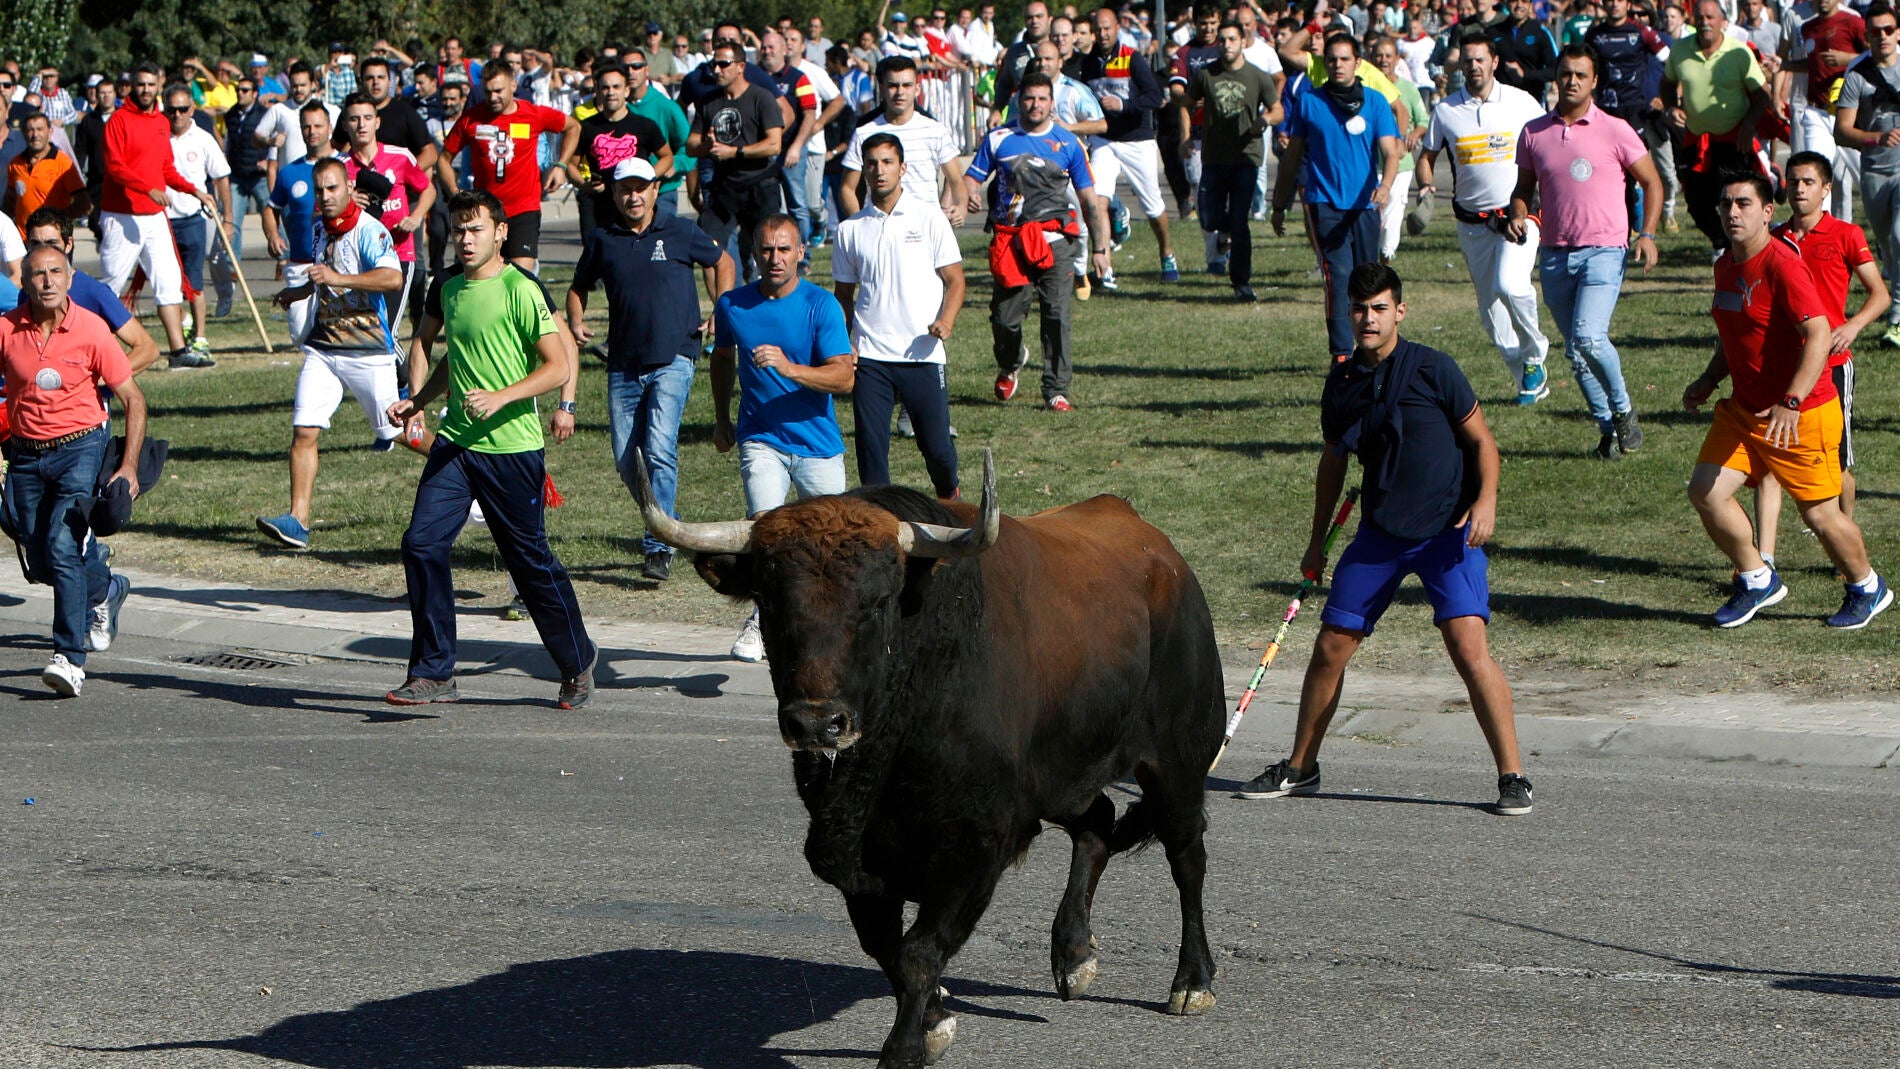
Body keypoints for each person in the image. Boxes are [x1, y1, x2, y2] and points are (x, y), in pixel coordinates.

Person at [1235, 262, 1531, 817]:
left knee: (1469, 649)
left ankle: (1513, 776)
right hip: (1380, 534)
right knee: (1330, 647)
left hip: (1448, 534)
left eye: (1378, 309)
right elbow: (1332, 464)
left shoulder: (1434, 369)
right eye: (1359, 308)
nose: (1367, 319)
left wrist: (1486, 502)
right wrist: (1316, 541)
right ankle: (1301, 768)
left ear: (1399, 311)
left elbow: (1483, 443)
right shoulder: (1343, 383)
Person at [384, 189, 597, 708]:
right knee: (421, 544)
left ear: (501, 232)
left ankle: (577, 660)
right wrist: (419, 400)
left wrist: (502, 396)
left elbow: (557, 366)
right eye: (458, 229)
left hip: (512, 450)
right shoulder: (450, 287)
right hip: (456, 445)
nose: (465, 238)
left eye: (476, 228)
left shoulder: (521, 289)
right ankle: (433, 672)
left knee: (528, 561)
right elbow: (453, 362)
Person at [1683, 171, 1890, 630]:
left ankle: (1867, 586)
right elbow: (1734, 334)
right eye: (1725, 205)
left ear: (1766, 212)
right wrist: (1708, 379)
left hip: (1802, 413)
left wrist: (1791, 402)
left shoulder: (1782, 264)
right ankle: (1757, 578)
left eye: (1743, 204)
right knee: (1706, 491)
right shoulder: (1725, 265)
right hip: (1744, 410)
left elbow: (1818, 333)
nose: (1732, 212)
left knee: (1819, 514)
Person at [566, 157, 734, 581]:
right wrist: (576, 319)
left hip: (675, 355)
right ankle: (664, 521)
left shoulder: (679, 230)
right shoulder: (604, 239)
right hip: (622, 361)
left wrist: (721, 309)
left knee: (659, 449)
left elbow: (724, 263)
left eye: (641, 187)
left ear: (656, 190)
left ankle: (659, 545)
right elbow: (578, 285)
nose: (633, 196)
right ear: (615, 193)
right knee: (627, 460)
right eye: (625, 189)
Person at [1, 245, 148, 697]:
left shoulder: (91, 330)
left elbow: (134, 400)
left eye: (55, 272)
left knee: (62, 546)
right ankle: (104, 587)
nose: (47, 281)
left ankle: (69, 656)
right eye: (37, 274)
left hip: (78, 449)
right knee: (40, 557)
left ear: (69, 277)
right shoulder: (6, 329)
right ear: (22, 281)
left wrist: (127, 466)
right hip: (25, 455)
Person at [710, 214, 855, 662]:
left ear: (800, 253)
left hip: (817, 443)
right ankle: (762, 620)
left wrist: (788, 367)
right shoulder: (733, 304)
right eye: (767, 249)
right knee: (767, 531)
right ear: (754, 253)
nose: (775, 258)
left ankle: (839, 624)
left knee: (835, 542)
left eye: (784, 249)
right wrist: (720, 417)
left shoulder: (821, 305)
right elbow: (722, 358)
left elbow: (845, 377)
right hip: (761, 437)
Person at [255, 158, 417, 550]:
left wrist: (338, 278)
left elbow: (392, 278)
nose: (325, 197)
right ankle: (298, 521)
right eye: (320, 190)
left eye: (332, 189)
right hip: (324, 348)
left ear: (348, 188)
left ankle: (469, 469)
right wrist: (297, 292)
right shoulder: (317, 230)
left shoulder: (369, 230)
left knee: (399, 430)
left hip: (367, 352)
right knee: (304, 430)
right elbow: (321, 277)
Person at [1511, 45, 1662, 459]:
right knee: (1576, 354)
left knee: (1589, 338)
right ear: (1555, 78)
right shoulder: (1533, 132)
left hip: (1605, 250)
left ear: (1595, 81)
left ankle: (1625, 413)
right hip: (1556, 253)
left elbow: (1652, 182)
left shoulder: (1616, 129)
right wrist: (1517, 214)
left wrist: (1646, 233)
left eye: (1581, 74)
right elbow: (1523, 191)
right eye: (1565, 73)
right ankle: (1608, 432)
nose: (1572, 81)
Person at [1753, 151, 1889, 566]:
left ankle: (1843, 540)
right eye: (1793, 181)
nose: (1799, 189)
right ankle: (1765, 558)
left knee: (1838, 463)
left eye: (1808, 182)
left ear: (1827, 189)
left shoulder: (1846, 235)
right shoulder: (1772, 238)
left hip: (1830, 368)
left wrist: (1851, 326)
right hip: (1781, 367)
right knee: (1769, 462)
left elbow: (1880, 295)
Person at [965, 72, 1114, 412]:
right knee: (1004, 318)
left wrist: (1101, 250)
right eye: (1029, 98)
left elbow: (1091, 201)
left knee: (1057, 315)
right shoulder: (1000, 138)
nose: (1035, 105)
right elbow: (971, 178)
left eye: (1042, 99)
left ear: (1051, 102)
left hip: (1055, 241)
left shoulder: (1067, 143)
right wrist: (969, 195)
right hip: (1011, 241)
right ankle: (1011, 361)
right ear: (1019, 100)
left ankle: (1056, 389)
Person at [1418, 32, 1550, 403]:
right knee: (1492, 316)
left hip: (1519, 214)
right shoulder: (1446, 111)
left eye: (1480, 60)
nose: (1473, 67)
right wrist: (1426, 189)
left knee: (1511, 285)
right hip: (1472, 224)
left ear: (1494, 62)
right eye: (1467, 61)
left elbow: (1547, 145)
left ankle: (1536, 353)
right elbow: (1427, 157)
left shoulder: (1521, 102)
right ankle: (1528, 375)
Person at [834, 133, 966, 498]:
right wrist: (845, 343)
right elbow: (843, 296)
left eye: (887, 162)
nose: (879, 170)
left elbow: (955, 281)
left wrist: (946, 321)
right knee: (871, 453)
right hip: (871, 358)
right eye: (872, 163)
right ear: (864, 170)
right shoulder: (850, 230)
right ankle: (880, 526)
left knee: (937, 449)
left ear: (903, 168)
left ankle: (950, 500)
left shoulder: (929, 218)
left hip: (922, 354)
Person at [1271, 33, 1402, 364]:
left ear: (1358, 63)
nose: (1338, 65)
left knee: (1368, 279)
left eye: (1345, 59)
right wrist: (1279, 203)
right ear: (1324, 64)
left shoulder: (1375, 102)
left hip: (1366, 205)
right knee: (1338, 276)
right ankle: (1342, 354)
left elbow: (1390, 151)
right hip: (1324, 202)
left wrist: (1385, 185)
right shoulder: (1310, 102)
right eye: (1332, 59)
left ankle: (1373, 347)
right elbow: (1292, 156)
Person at [98, 63, 214, 369]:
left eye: (151, 85)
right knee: (111, 283)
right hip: (121, 215)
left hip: (153, 216)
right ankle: (93, 348)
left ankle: (178, 352)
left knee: (169, 281)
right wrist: (148, 188)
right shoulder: (118, 121)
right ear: (132, 86)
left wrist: (195, 191)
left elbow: (166, 169)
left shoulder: (161, 122)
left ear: (158, 86)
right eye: (141, 84)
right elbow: (115, 167)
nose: (146, 90)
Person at [1076, 5, 1183, 284]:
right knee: (1097, 199)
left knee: (1153, 206)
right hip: (1104, 139)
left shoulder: (1132, 59)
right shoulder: (1088, 64)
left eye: (1107, 28)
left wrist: (1124, 104)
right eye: (1098, 29)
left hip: (1137, 139)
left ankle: (1167, 252)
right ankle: (1105, 268)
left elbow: (1155, 96)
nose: (1102, 34)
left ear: (1117, 29)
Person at [439, 64, 575, 270]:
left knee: (521, 275)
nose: (493, 97)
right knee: (480, 273)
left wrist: (561, 165)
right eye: (487, 91)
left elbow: (573, 126)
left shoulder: (533, 114)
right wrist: (454, 192)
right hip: (484, 211)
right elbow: (443, 159)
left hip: (523, 209)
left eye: (498, 91)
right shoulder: (471, 119)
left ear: (513, 85)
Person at [1186, 19, 1282, 302]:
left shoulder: (1258, 76)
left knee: (1240, 221)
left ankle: (1241, 282)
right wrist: (1184, 132)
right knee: (1207, 217)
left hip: (1246, 156)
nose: (1227, 45)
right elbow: (1187, 103)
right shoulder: (1206, 75)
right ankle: (1223, 228)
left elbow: (1278, 111)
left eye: (1232, 39)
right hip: (1214, 157)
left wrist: (1263, 120)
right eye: (1223, 40)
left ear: (1243, 42)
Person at [1662, 0, 1770, 252]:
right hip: (1697, 137)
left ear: (1723, 21)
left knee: (1739, 198)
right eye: (1699, 17)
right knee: (1696, 201)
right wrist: (1671, 108)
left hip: (1735, 138)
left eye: (1710, 17)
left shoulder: (1739, 52)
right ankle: (1722, 243)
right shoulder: (1680, 50)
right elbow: (1667, 83)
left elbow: (1762, 95)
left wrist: (1749, 125)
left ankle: (1748, 244)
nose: (1704, 22)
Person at [687, 40, 787, 280]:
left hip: (760, 184)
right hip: (724, 186)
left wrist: (735, 152)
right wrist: (706, 146)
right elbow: (691, 146)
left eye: (723, 64)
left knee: (764, 249)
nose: (717, 70)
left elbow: (774, 144)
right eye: (714, 64)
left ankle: (764, 303)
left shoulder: (760, 98)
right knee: (708, 246)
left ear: (741, 66)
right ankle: (723, 307)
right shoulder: (709, 101)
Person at [21, 207, 161, 374]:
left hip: (88, 399)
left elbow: (147, 349)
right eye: (36, 244)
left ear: (68, 244)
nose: (44, 251)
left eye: (52, 243)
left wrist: (100, 379)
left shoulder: (92, 291)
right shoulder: (29, 290)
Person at [338, 93, 434, 334]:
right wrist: (349, 205)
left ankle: (407, 374)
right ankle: (400, 372)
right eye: (355, 119)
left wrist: (416, 216)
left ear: (377, 122)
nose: (361, 125)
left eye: (367, 118)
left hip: (399, 252)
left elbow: (428, 190)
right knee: (365, 331)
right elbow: (322, 215)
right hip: (359, 258)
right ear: (344, 124)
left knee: (385, 330)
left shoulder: (399, 156)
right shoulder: (339, 167)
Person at [1834, 0, 1900, 349]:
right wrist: (1876, 138)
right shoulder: (1858, 74)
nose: (1883, 37)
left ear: (1898, 31)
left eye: (1889, 30)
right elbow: (1842, 131)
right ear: (1867, 36)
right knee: (1890, 247)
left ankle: (1897, 318)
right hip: (1875, 170)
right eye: (1875, 32)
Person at [839, 56, 967, 224]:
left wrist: (961, 207)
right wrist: (858, 224)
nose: (900, 92)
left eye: (907, 85)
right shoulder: (864, 133)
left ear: (917, 89)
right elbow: (847, 188)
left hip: (925, 227)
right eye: (893, 86)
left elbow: (956, 179)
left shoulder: (935, 130)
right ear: (882, 89)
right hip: (880, 227)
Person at [1588, 0, 1679, 234]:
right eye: (1609, 0)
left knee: (1635, 170)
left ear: (1627, 4)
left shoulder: (1642, 32)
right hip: (1605, 113)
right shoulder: (1594, 35)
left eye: (1619, 0)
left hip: (1635, 113)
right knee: (1605, 170)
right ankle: (1618, 224)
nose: (1614, 4)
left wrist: (1666, 96)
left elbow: (1673, 65)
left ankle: (1640, 220)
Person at [558, 61, 674, 240]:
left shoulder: (644, 125)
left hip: (633, 201)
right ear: (597, 91)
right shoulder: (586, 128)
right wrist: (583, 184)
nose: (610, 92)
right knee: (598, 257)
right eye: (605, 87)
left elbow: (666, 157)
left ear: (626, 90)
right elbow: (571, 165)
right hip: (598, 204)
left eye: (616, 87)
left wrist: (648, 179)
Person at [165, 85, 231, 362]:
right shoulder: (158, 138)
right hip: (163, 219)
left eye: (183, 109)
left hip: (193, 217)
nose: (177, 115)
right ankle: (183, 322)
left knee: (194, 282)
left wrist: (228, 219)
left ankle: (201, 337)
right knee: (168, 283)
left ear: (192, 109)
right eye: (172, 110)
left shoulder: (203, 139)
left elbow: (221, 177)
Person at [1789, 0, 1865, 223]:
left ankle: (1886, 229)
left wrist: (1847, 59)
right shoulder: (1807, 27)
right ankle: (1820, 233)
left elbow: (1875, 57)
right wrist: (1783, 65)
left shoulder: (1853, 22)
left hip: (1850, 114)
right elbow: (1812, 64)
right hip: (1816, 112)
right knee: (1816, 173)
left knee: (1867, 176)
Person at [216, 76, 272, 318]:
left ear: (255, 93)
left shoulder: (264, 114)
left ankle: (283, 257)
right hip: (237, 176)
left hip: (258, 175)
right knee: (232, 222)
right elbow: (229, 143)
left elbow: (275, 139)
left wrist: (269, 161)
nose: (240, 93)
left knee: (271, 216)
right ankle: (233, 269)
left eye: (245, 90)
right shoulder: (231, 114)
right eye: (238, 90)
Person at [623, 49, 693, 221]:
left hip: (662, 192)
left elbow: (690, 146)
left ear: (647, 70)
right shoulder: (616, 109)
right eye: (626, 68)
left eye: (636, 66)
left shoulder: (666, 106)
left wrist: (676, 163)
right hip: (624, 193)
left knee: (660, 244)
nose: (631, 72)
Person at [5, 111, 89, 229]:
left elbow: (83, 203)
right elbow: (10, 200)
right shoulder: (15, 164)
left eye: (40, 129)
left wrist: (59, 222)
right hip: (22, 241)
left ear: (50, 132)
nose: (35, 134)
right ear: (24, 133)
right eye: (30, 130)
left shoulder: (63, 163)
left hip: (52, 240)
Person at [1492, 0, 1561, 103]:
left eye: (1524, 1)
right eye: (1514, 1)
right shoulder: (1493, 32)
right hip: (1501, 102)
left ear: (1530, 5)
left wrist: (1526, 74)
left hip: (1532, 100)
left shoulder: (1540, 33)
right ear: (1507, 3)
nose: (1519, 5)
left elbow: (1555, 70)